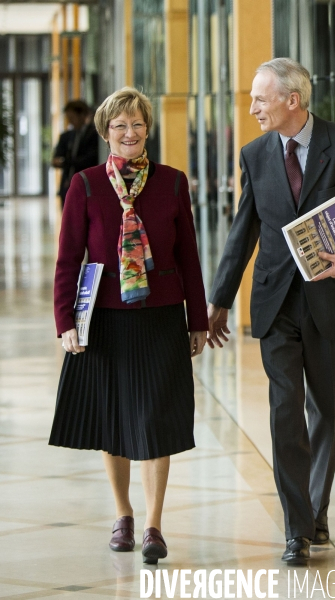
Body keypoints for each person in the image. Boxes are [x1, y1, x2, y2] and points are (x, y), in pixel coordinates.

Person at [207, 58, 335, 564]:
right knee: (284, 410)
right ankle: (298, 528)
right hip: (276, 304)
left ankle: (314, 507)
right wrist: (219, 300)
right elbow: (244, 230)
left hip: (334, 303)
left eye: (260, 99)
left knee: (327, 414)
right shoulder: (254, 155)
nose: (252, 109)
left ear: (293, 100)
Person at [49, 87, 208, 564]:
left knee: (156, 418)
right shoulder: (87, 185)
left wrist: (196, 319)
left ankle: (155, 524)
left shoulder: (174, 183)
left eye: (137, 124)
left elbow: (189, 258)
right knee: (113, 418)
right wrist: (65, 322)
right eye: (120, 125)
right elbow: (66, 260)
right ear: (106, 133)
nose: (130, 132)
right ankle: (123, 515)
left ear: (148, 129)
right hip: (104, 317)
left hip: (160, 316)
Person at [52, 99, 99, 208]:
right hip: (67, 185)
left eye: (72, 118)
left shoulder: (93, 135)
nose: (70, 122)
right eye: (68, 118)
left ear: (82, 115)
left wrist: (66, 162)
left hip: (86, 185)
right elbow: (56, 159)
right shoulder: (66, 136)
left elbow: (90, 159)